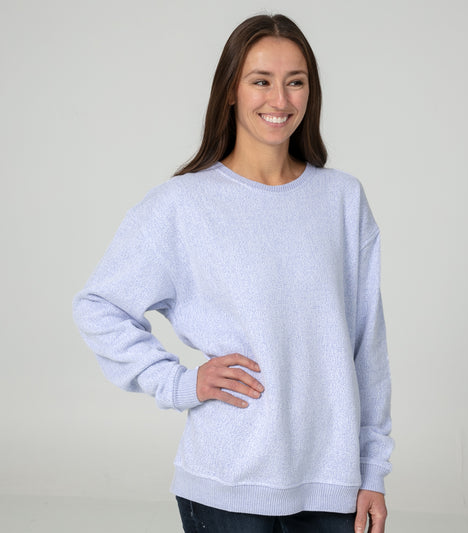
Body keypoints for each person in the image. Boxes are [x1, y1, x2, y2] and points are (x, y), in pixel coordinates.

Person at [72, 13, 393, 533]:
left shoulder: (342, 200)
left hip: (332, 482)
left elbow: (366, 347)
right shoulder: (183, 205)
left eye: (295, 82)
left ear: (310, 92)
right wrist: (180, 383)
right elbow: (99, 306)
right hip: (225, 482)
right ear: (230, 91)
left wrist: (373, 470)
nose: (280, 99)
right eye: (261, 81)